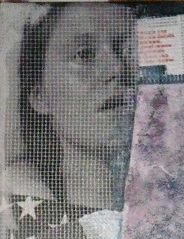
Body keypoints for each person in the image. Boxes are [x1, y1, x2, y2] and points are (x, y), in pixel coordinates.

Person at [5, 3, 135, 210]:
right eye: (84, 54)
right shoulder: (12, 198)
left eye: (129, 50)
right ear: (40, 95)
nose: (117, 68)